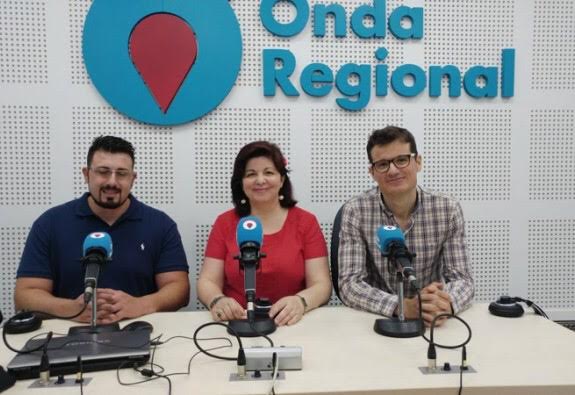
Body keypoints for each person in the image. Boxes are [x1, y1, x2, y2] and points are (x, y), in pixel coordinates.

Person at [14, 136, 190, 324]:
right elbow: (25, 296)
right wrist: (73, 309)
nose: (112, 182)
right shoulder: (50, 223)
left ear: (133, 179)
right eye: (103, 172)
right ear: (86, 174)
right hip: (67, 335)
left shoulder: (160, 225)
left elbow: (179, 289)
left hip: (140, 332)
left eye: (121, 173)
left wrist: (140, 304)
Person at [338, 126, 474, 327]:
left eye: (402, 160)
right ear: (372, 172)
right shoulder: (356, 211)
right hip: (376, 321)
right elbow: (349, 284)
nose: (393, 170)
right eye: (383, 164)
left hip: (431, 321)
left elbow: (463, 280)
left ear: (417, 162)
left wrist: (445, 304)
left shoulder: (447, 209)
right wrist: (402, 306)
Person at [197, 141, 332, 326]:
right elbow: (207, 281)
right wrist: (217, 300)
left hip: (291, 324)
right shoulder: (224, 223)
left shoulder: (306, 222)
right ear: (241, 183)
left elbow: (322, 284)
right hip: (237, 323)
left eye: (269, 172)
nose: (260, 180)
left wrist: (300, 302)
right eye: (251, 174)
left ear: (282, 179)